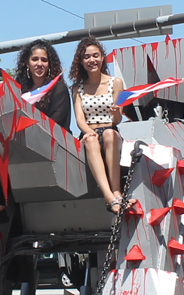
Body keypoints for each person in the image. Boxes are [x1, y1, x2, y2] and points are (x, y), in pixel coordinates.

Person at [0, 39, 71, 227]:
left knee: (7, 144)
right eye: (35, 59)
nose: (39, 64)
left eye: (44, 60)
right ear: (26, 63)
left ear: (50, 64)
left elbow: (58, 124)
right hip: (20, 143)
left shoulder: (59, 88)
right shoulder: (18, 90)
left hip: (51, 145)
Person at [69, 37, 135, 214]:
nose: (92, 60)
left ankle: (116, 190)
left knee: (109, 135)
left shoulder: (116, 83)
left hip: (110, 129)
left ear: (102, 58)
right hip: (89, 130)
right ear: (81, 62)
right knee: (90, 140)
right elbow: (80, 119)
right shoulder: (77, 88)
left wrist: (115, 111)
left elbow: (118, 119)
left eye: (95, 56)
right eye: (87, 57)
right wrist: (90, 132)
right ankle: (109, 196)